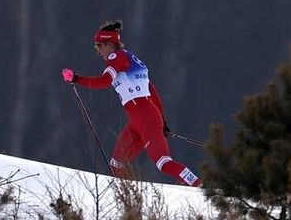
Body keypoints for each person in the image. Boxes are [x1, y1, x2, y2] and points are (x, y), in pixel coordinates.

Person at [61, 20, 201, 187]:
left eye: (99, 46)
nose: (99, 52)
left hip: (145, 119)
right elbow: (152, 92)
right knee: (116, 164)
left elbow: (105, 82)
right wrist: (162, 121)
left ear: (109, 44)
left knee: (164, 163)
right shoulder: (131, 58)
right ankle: (130, 199)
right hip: (140, 120)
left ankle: (198, 185)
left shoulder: (116, 57)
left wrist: (77, 78)